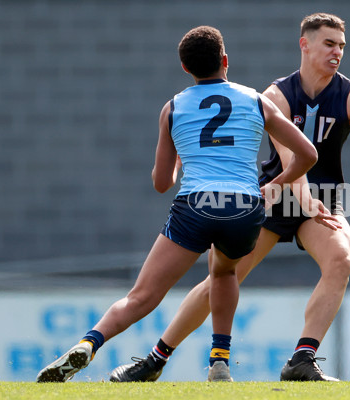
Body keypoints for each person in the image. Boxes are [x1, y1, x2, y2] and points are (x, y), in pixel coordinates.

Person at [109, 13, 350, 383]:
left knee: (341, 260)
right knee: (220, 280)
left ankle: (302, 358)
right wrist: (306, 199)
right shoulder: (276, 95)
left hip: (322, 198)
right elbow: (288, 159)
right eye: (329, 44)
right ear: (305, 44)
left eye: (342, 45)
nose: (337, 52)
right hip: (271, 195)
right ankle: (155, 359)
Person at [36, 25, 319, 383]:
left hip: (195, 205)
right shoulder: (256, 100)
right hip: (245, 207)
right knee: (224, 271)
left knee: (142, 296)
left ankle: (89, 344)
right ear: (225, 61)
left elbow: (161, 183)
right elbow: (307, 154)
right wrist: (275, 185)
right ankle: (219, 361)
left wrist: (181, 161)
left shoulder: (173, 107)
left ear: (186, 68)